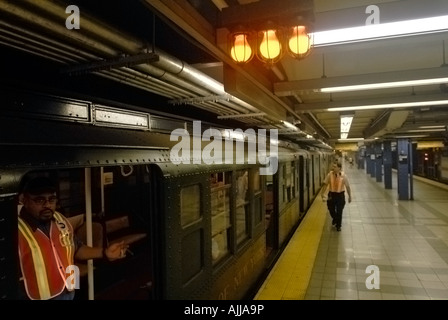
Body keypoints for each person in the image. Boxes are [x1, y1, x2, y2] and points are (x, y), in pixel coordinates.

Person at [17, 176, 129, 300]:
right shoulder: (16, 230)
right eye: (39, 200)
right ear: (23, 199)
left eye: (52, 199)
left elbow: (76, 248)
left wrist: (105, 252)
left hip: (69, 289)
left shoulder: (60, 219)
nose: (47, 205)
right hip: (39, 297)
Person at [320, 162, 352, 231]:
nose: (333, 168)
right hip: (331, 195)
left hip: (340, 195)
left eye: (335, 167)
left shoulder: (344, 176)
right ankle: (335, 218)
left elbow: (347, 186)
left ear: (339, 168)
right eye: (333, 166)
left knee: (339, 211)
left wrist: (349, 196)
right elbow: (325, 184)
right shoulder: (329, 175)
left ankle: (338, 226)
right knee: (330, 208)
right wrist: (322, 193)